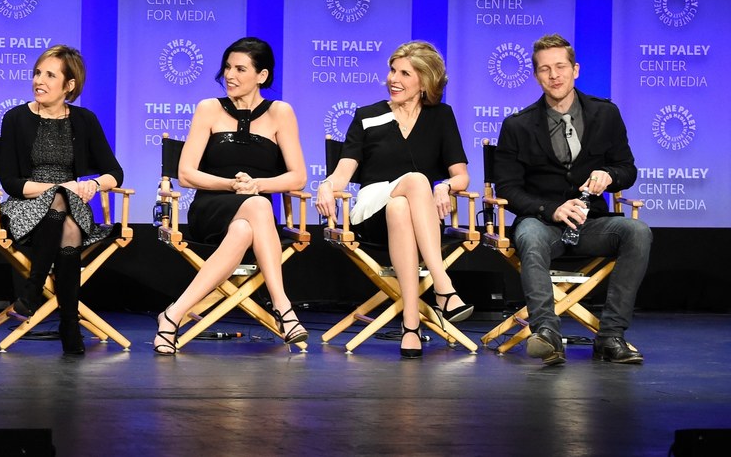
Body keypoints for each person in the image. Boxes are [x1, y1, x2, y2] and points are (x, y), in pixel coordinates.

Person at [495, 33, 651, 366]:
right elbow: (508, 188)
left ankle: (611, 337)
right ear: (536, 75)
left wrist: (610, 175)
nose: (554, 75)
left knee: (638, 232)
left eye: (561, 67)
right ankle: (547, 334)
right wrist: (550, 209)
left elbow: (628, 169)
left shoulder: (605, 114)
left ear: (575, 70)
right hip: (542, 223)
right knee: (528, 236)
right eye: (545, 69)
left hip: (591, 223)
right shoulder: (517, 126)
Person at [314, 40, 474, 359]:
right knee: (416, 180)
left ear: (425, 81)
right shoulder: (367, 116)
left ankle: (411, 326)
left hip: (418, 217)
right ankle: (443, 284)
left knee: (403, 204)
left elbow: (461, 175)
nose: (393, 79)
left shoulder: (441, 116)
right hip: (372, 213)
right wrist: (325, 184)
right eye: (392, 70)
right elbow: (343, 173)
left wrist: (445, 187)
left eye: (404, 73)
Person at [153, 36, 309, 355]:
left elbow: (299, 176)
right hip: (211, 208)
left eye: (240, 68)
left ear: (261, 76)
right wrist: (233, 185)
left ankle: (173, 315)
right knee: (256, 207)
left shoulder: (281, 113)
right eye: (227, 67)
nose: (230, 75)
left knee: (246, 223)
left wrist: (257, 185)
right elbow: (186, 174)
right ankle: (282, 305)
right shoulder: (209, 109)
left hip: (255, 216)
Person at [0, 44, 124, 355]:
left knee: (67, 217)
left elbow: (115, 173)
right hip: (23, 206)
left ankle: (36, 295)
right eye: (37, 73)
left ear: (69, 85)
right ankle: (68, 322)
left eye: (49, 75)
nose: (39, 80)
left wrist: (92, 184)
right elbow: (10, 182)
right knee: (60, 203)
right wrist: (57, 187)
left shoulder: (84, 120)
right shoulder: (15, 118)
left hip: (71, 206)